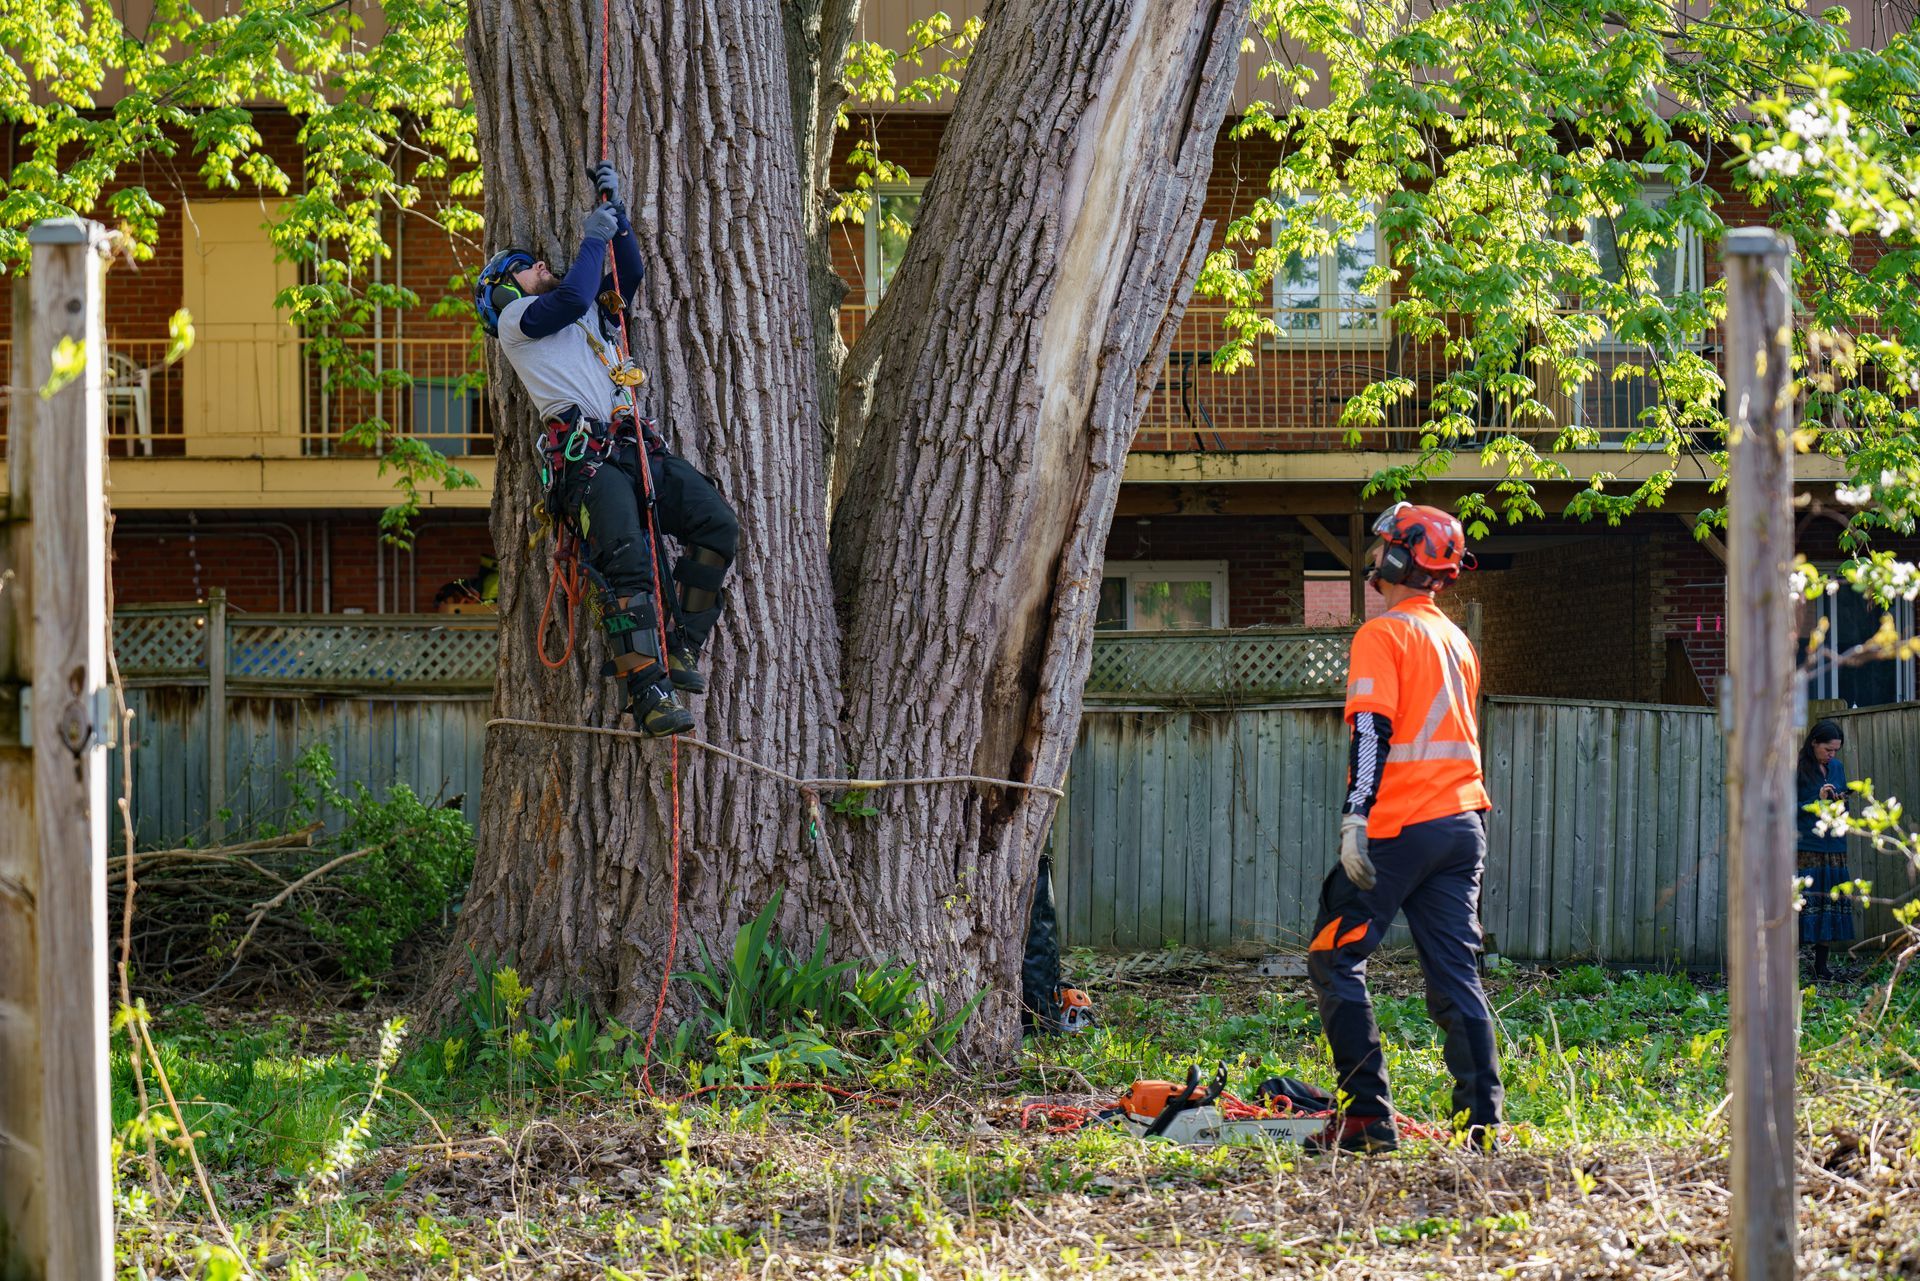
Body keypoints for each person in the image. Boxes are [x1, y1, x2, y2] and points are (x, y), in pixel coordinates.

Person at [473, 162, 738, 737]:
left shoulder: (589, 316)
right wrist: (592, 236)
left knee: (716, 524)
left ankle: (681, 644)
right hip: (585, 457)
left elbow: (629, 275)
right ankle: (647, 692)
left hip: (630, 442)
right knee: (628, 564)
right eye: (524, 268)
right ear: (504, 291)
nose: (536, 265)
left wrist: (616, 223)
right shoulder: (520, 320)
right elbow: (568, 297)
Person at [1304, 501, 1503, 1155]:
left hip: (1399, 827)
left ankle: (1366, 1119)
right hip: (1462, 824)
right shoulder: (1457, 641)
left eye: (1382, 547)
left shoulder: (1382, 634)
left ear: (1394, 558)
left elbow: (1371, 729)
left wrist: (1355, 817)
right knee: (1456, 975)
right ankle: (1482, 1127)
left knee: (1335, 955)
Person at [1796, 719, 1854, 980]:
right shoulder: (1797, 768)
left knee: (1831, 902)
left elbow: (1845, 810)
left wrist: (1840, 801)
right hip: (1807, 846)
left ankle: (1821, 967)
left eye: (1835, 751)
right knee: (1804, 903)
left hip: (1835, 845)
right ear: (1814, 743)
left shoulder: (1837, 768)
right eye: (1827, 750)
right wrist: (1816, 800)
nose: (1832, 756)